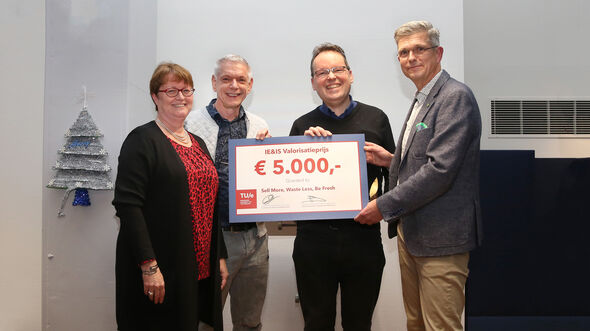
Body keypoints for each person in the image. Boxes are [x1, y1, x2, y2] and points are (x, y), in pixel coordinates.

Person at [355, 20, 483, 331]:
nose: (411, 57)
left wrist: (383, 206)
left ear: (438, 53)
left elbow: (440, 171)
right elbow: (424, 159)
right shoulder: (423, 97)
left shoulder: (454, 97)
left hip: (442, 240)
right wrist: (390, 161)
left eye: (419, 49)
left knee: (440, 326)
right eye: (403, 52)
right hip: (412, 235)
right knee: (416, 324)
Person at [112, 62, 228, 331]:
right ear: (155, 96)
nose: (181, 97)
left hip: (197, 266)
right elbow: (128, 206)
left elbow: (210, 205)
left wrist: (219, 256)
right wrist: (148, 266)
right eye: (171, 90)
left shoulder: (196, 142)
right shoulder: (142, 140)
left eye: (186, 90)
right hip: (162, 265)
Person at [289, 43, 396, 331]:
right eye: (322, 72)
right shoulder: (302, 126)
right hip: (314, 243)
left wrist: (384, 206)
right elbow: (289, 187)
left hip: (363, 240)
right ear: (313, 82)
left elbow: (398, 175)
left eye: (337, 69)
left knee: (359, 324)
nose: (331, 76)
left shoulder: (377, 118)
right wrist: (302, 149)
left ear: (350, 75)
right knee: (316, 324)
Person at [185, 54, 270, 331]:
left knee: (249, 322)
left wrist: (270, 153)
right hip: (213, 240)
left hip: (255, 239)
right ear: (213, 82)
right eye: (226, 79)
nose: (234, 85)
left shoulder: (259, 126)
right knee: (205, 322)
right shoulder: (189, 124)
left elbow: (268, 179)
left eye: (241, 79)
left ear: (250, 84)